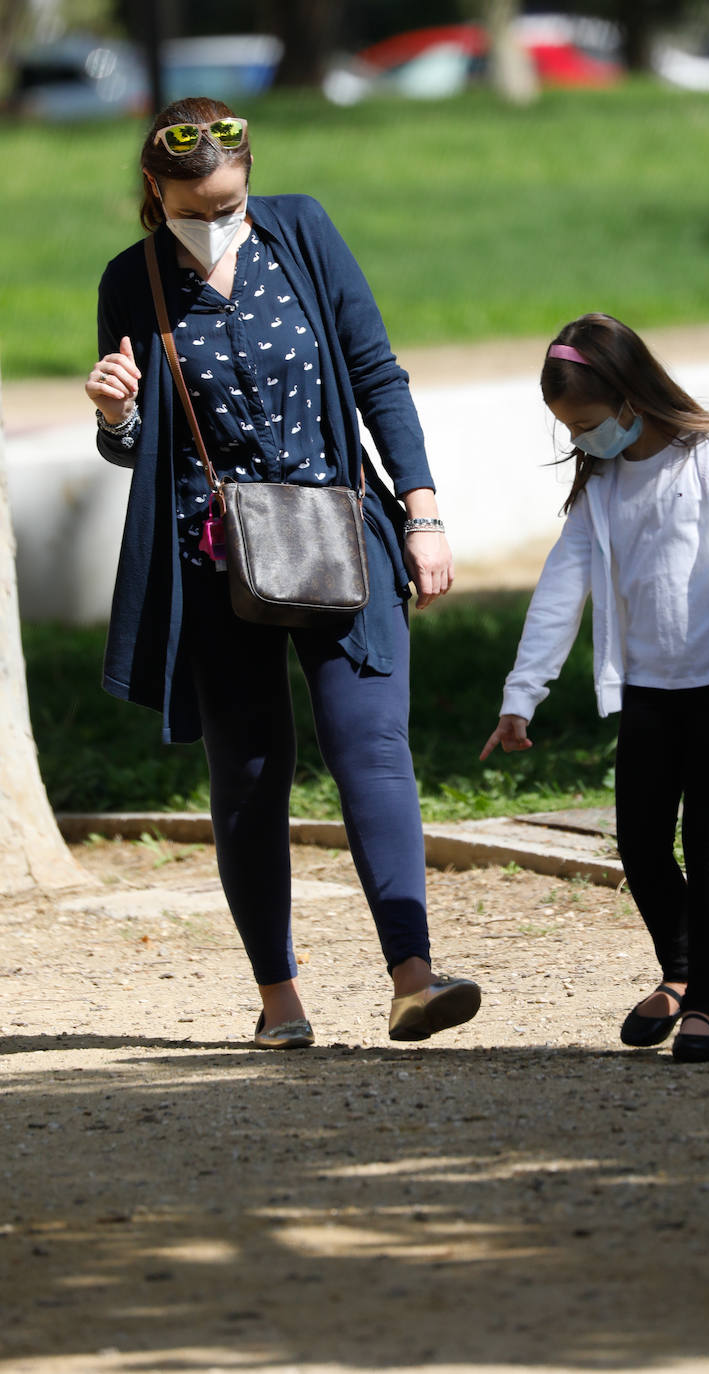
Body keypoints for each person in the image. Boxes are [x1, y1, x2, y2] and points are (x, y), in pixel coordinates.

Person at [85, 97, 480, 1048]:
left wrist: (423, 515)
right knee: (252, 774)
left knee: (373, 752)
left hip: (344, 535)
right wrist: (115, 415)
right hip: (215, 562)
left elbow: (377, 375)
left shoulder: (300, 231)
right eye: (195, 200)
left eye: (230, 198)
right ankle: (281, 1000)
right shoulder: (129, 280)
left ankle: (413, 977)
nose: (216, 215)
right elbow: (135, 449)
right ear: (156, 188)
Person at [481, 313, 709, 1063]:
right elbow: (557, 592)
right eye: (568, 428)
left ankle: (704, 1003)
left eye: (587, 422)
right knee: (639, 841)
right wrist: (521, 695)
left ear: (631, 397)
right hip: (647, 685)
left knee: (708, 843)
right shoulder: (602, 483)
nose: (580, 439)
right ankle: (677, 970)